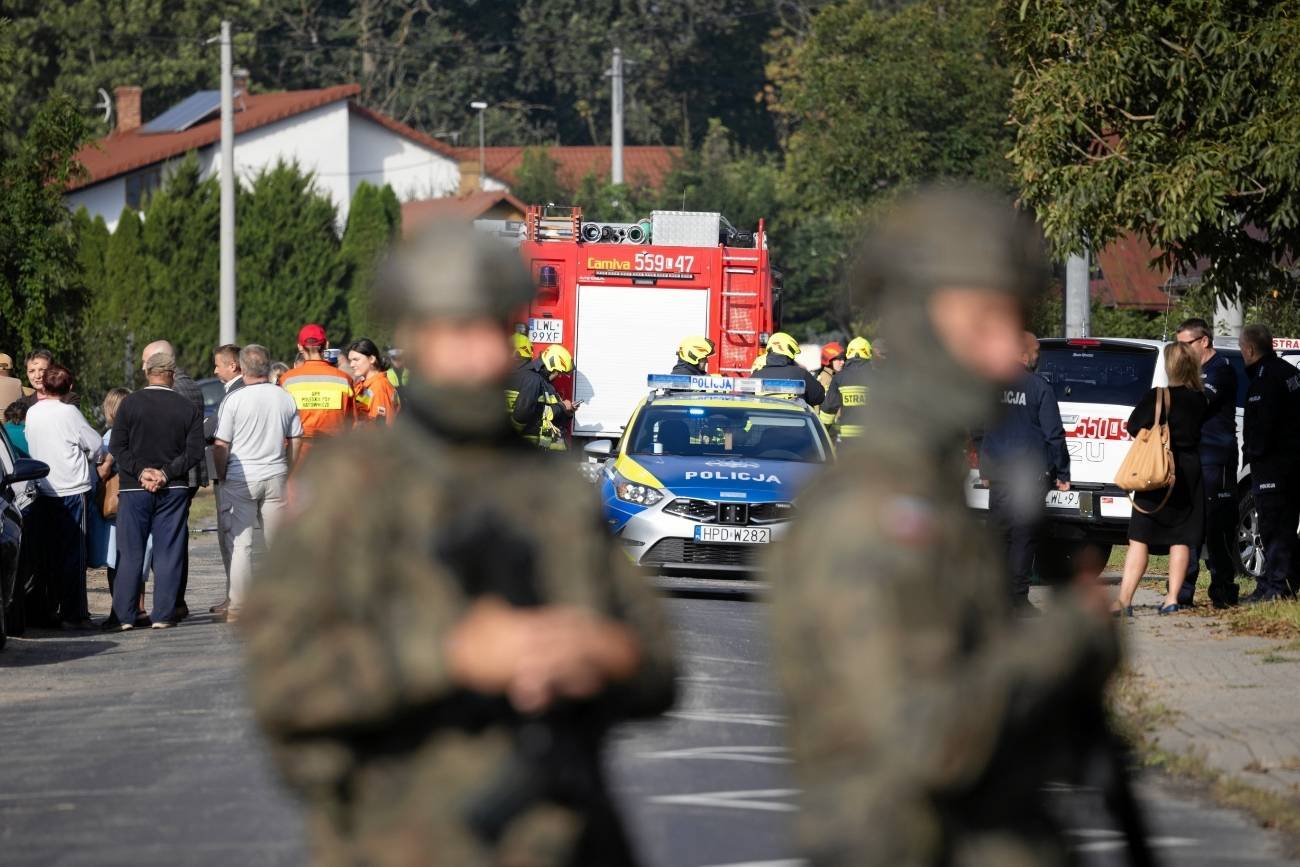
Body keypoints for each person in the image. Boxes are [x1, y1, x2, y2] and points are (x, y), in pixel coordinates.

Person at [242, 221, 676, 867]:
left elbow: (660, 663)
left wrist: (603, 651)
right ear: (413, 338)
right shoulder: (353, 485)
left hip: (565, 835)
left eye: (493, 329)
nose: (480, 356)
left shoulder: (552, 486)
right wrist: (450, 653)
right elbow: (282, 678)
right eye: (456, 332)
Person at [767, 188, 1117, 867]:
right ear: (920, 319)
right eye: (981, 323)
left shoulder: (925, 484)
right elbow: (921, 739)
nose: (998, 355)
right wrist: (1064, 645)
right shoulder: (874, 508)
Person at [108, 351, 205, 631]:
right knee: (168, 551)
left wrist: (140, 471)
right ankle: (162, 613)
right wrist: (165, 472)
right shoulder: (186, 408)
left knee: (130, 552)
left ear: (147, 372)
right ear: (172, 374)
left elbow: (118, 447)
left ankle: (125, 615)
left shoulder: (129, 405)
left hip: (132, 488)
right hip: (172, 488)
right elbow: (195, 451)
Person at [1112, 342, 1209, 616]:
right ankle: (1172, 599)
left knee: (1139, 538)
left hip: (1157, 472)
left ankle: (1124, 601)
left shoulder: (1158, 396)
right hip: (1188, 473)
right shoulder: (1200, 399)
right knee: (1181, 538)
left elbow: (1133, 425)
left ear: (1170, 367)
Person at [978, 331, 1071, 609]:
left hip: (998, 474)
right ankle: (1017, 598)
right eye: (1036, 352)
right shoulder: (1038, 387)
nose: (1038, 358)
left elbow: (979, 429)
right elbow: (1054, 433)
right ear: (1022, 353)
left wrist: (984, 468)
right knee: (1023, 536)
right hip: (1029, 476)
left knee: (1000, 534)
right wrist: (1062, 473)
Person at [212, 345, 303, 622]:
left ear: (242, 367)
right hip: (275, 473)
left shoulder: (234, 400)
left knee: (242, 544)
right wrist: (289, 467)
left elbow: (221, 444)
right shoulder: (284, 397)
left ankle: (239, 605)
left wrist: (221, 472)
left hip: (241, 477)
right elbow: (296, 437)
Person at [24, 365, 103, 629]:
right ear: (69, 388)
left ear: (43, 386)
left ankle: (49, 609)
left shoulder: (32, 413)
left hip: (42, 487)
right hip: (71, 488)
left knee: (49, 553)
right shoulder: (70, 412)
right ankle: (75, 613)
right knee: (74, 553)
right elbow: (94, 444)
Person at [1174, 319, 1241, 608]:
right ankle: (1182, 590)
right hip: (1193, 457)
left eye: (1185, 345)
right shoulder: (1190, 372)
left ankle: (1223, 590)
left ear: (1204, 341)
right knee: (1189, 527)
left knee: (1217, 526)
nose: (1181, 351)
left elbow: (1199, 402)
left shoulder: (1221, 370)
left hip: (1216, 459)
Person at [142, 339, 207, 621]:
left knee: (170, 539)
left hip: (174, 472)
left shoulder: (173, 390)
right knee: (175, 537)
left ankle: (173, 600)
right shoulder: (189, 383)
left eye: (146, 362)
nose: (142, 367)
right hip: (185, 471)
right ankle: (175, 599)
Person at [1239, 323, 1300, 602]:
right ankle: (1282, 582)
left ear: (1250, 349)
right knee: (1285, 527)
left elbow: (1261, 430)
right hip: (1292, 465)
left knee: (1274, 529)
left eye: (1242, 349)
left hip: (1273, 468)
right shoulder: (1292, 373)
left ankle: (1275, 587)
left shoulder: (1264, 380)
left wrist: (1253, 453)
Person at [92, 388, 154, 630]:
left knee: (115, 560)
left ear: (110, 409)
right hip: (142, 499)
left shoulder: (109, 437)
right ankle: (139, 607)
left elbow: (104, 472)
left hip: (116, 506)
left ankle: (119, 610)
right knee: (138, 555)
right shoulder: (144, 434)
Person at [279, 324, 356, 467]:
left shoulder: (287, 380)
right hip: (333, 454)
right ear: (326, 345)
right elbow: (351, 422)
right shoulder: (344, 380)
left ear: (300, 347)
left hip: (297, 454)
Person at [206, 344, 246, 615]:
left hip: (232, 472)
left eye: (218, 364)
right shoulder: (236, 389)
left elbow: (220, 430)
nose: (214, 369)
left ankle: (237, 597)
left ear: (233, 366)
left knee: (232, 537)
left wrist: (201, 428)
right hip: (241, 471)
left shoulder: (237, 391)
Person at [507, 343, 575, 450]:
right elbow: (524, 414)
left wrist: (566, 412)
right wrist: (561, 407)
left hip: (544, 449)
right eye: (558, 372)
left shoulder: (543, 383)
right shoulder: (533, 380)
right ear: (551, 365)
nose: (559, 376)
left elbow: (549, 416)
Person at [818, 336, 874, 440]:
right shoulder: (878, 377)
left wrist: (822, 432)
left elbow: (829, 409)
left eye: (842, 358)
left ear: (849, 354)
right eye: (838, 359)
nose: (842, 362)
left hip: (846, 439)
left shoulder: (839, 377)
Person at [750, 332, 826, 406]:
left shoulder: (755, 376)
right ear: (789, 350)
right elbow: (819, 397)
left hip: (761, 418)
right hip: (795, 418)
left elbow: (745, 401)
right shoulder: (800, 374)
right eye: (793, 352)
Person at [347, 338, 401, 426]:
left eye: (356, 359)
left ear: (372, 359)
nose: (351, 365)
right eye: (350, 360)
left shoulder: (379, 387)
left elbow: (380, 428)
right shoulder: (362, 385)